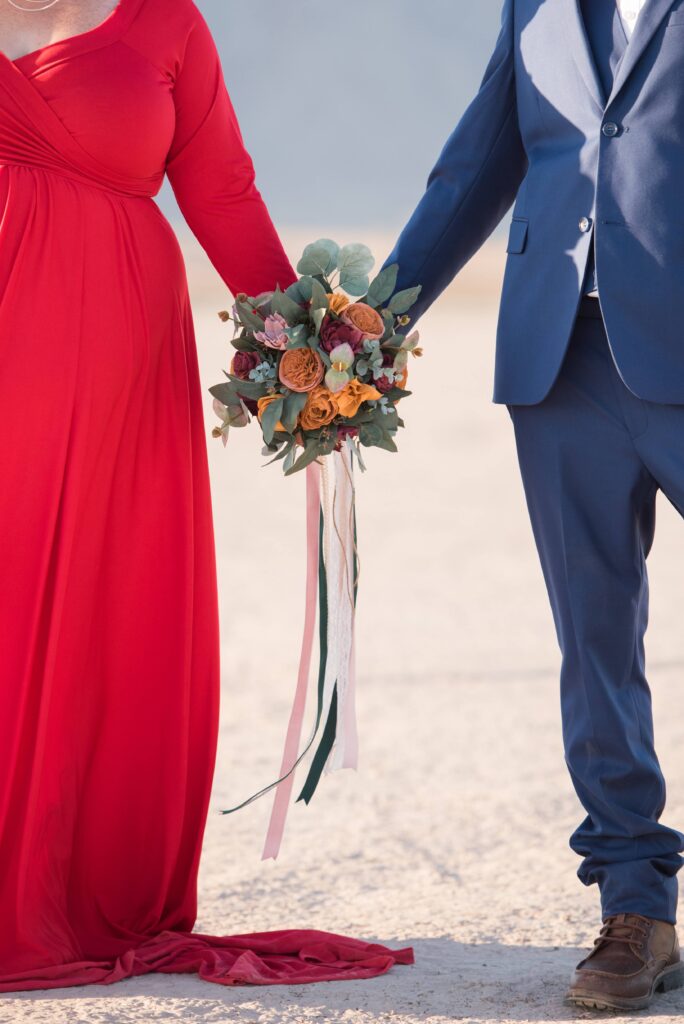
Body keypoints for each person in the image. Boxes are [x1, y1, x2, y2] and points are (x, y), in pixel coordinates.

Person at [0, 0, 412, 991]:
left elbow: (222, 193)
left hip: (113, 351)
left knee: (97, 604)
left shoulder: (163, 23)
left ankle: (68, 881)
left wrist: (313, 359)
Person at [385, 0, 684, 1012]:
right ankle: (636, 903)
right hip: (561, 363)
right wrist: (371, 331)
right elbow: (479, 163)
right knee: (595, 639)